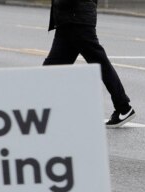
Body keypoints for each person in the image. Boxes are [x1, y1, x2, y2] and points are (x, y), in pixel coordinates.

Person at [43, 0, 135, 128]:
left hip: (77, 20)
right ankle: (43, 111)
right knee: (51, 70)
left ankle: (123, 107)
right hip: (69, 20)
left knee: (100, 64)